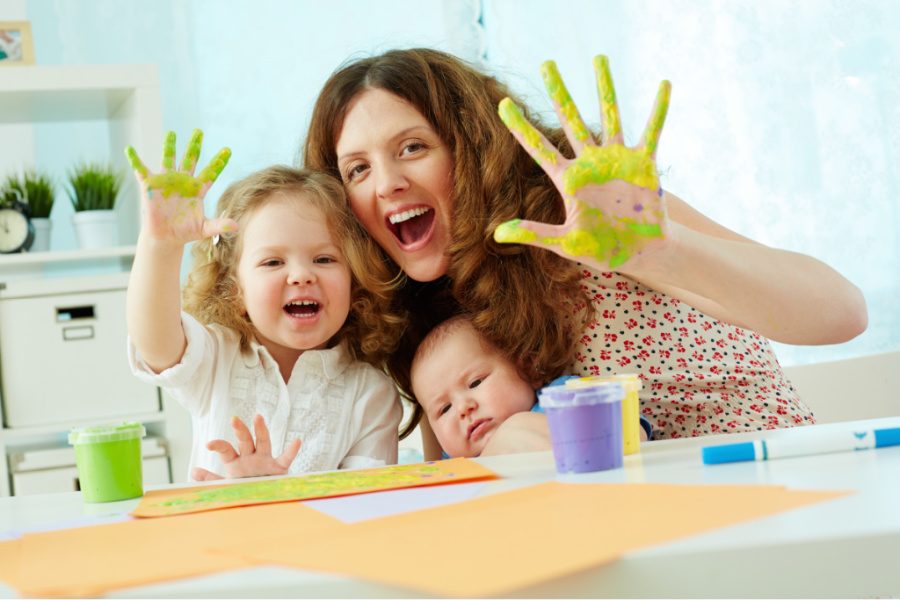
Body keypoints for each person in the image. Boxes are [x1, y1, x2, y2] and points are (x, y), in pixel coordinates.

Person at [303, 48, 867, 456]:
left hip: (775, 493)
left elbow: (842, 313)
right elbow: (458, 486)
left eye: (412, 147)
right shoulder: (430, 318)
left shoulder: (584, 209)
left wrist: (659, 253)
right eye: (357, 169)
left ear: (471, 149)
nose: (387, 183)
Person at [125, 130, 403, 479]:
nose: (301, 275)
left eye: (324, 259)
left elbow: (368, 507)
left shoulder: (370, 394)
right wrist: (159, 246)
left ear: (355, 280)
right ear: (235, 289)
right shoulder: (216, 359)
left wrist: (269, 493)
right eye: (273, 263)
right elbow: (155, 343)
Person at [411, 315, 650, 458]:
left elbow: (631, 433)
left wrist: (523, 430)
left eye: (475, 382)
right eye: (444, 409)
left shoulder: (560, 400)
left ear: (528, 369)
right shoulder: (452, 468)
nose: (463, 408)